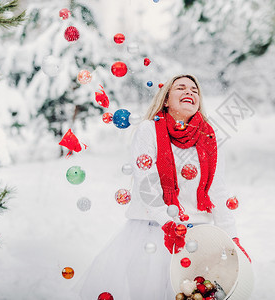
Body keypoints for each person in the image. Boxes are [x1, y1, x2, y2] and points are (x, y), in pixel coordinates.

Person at [77, 74, 250, 300]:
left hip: (197, 238)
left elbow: (217, 190)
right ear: (166, 100)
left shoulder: (209, 137)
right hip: (153, 232)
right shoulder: (149, 130)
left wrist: (232, 237)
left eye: (194, 90)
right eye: (181, 88)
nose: (189, 92)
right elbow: (145, 181)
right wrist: (168, 222)